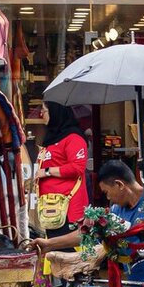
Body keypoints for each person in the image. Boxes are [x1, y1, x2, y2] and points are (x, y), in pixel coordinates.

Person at [33, 102, 89, 243]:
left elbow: (77, 168)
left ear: (56, 113)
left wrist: (46, 171)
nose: (41, 114)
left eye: (44, 111)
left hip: (67, 210)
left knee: (65, 253)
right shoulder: (53, 139)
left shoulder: (73, 138)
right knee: (53, 250)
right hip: (51, 208)